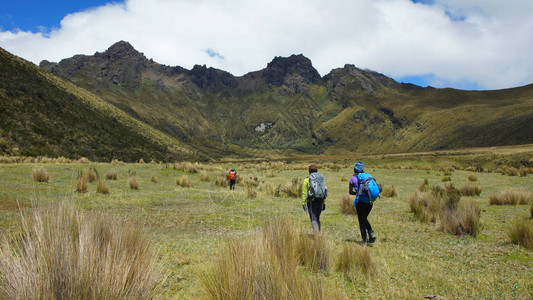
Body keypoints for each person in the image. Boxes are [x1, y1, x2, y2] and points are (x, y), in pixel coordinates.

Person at [349, 161, 377, 243]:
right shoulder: (368, 176)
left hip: (360, 202)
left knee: (362, 222)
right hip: (370, 202)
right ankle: (371, 233)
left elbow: (350, 192)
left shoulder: (352, 179)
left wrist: (357, 193)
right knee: (364, 218)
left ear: (354, 170)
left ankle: (364, 241)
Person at [301, 164, 327, 233]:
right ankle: (319, 233)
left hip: (311, 201)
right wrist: (324, 202)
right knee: (317, 218)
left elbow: (304, 193)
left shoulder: (307, 180)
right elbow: (324, 190)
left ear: (309, 171)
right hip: (320, 201)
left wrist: (303, 203)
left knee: (313, 218)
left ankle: (318, 235)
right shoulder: (321, 179)